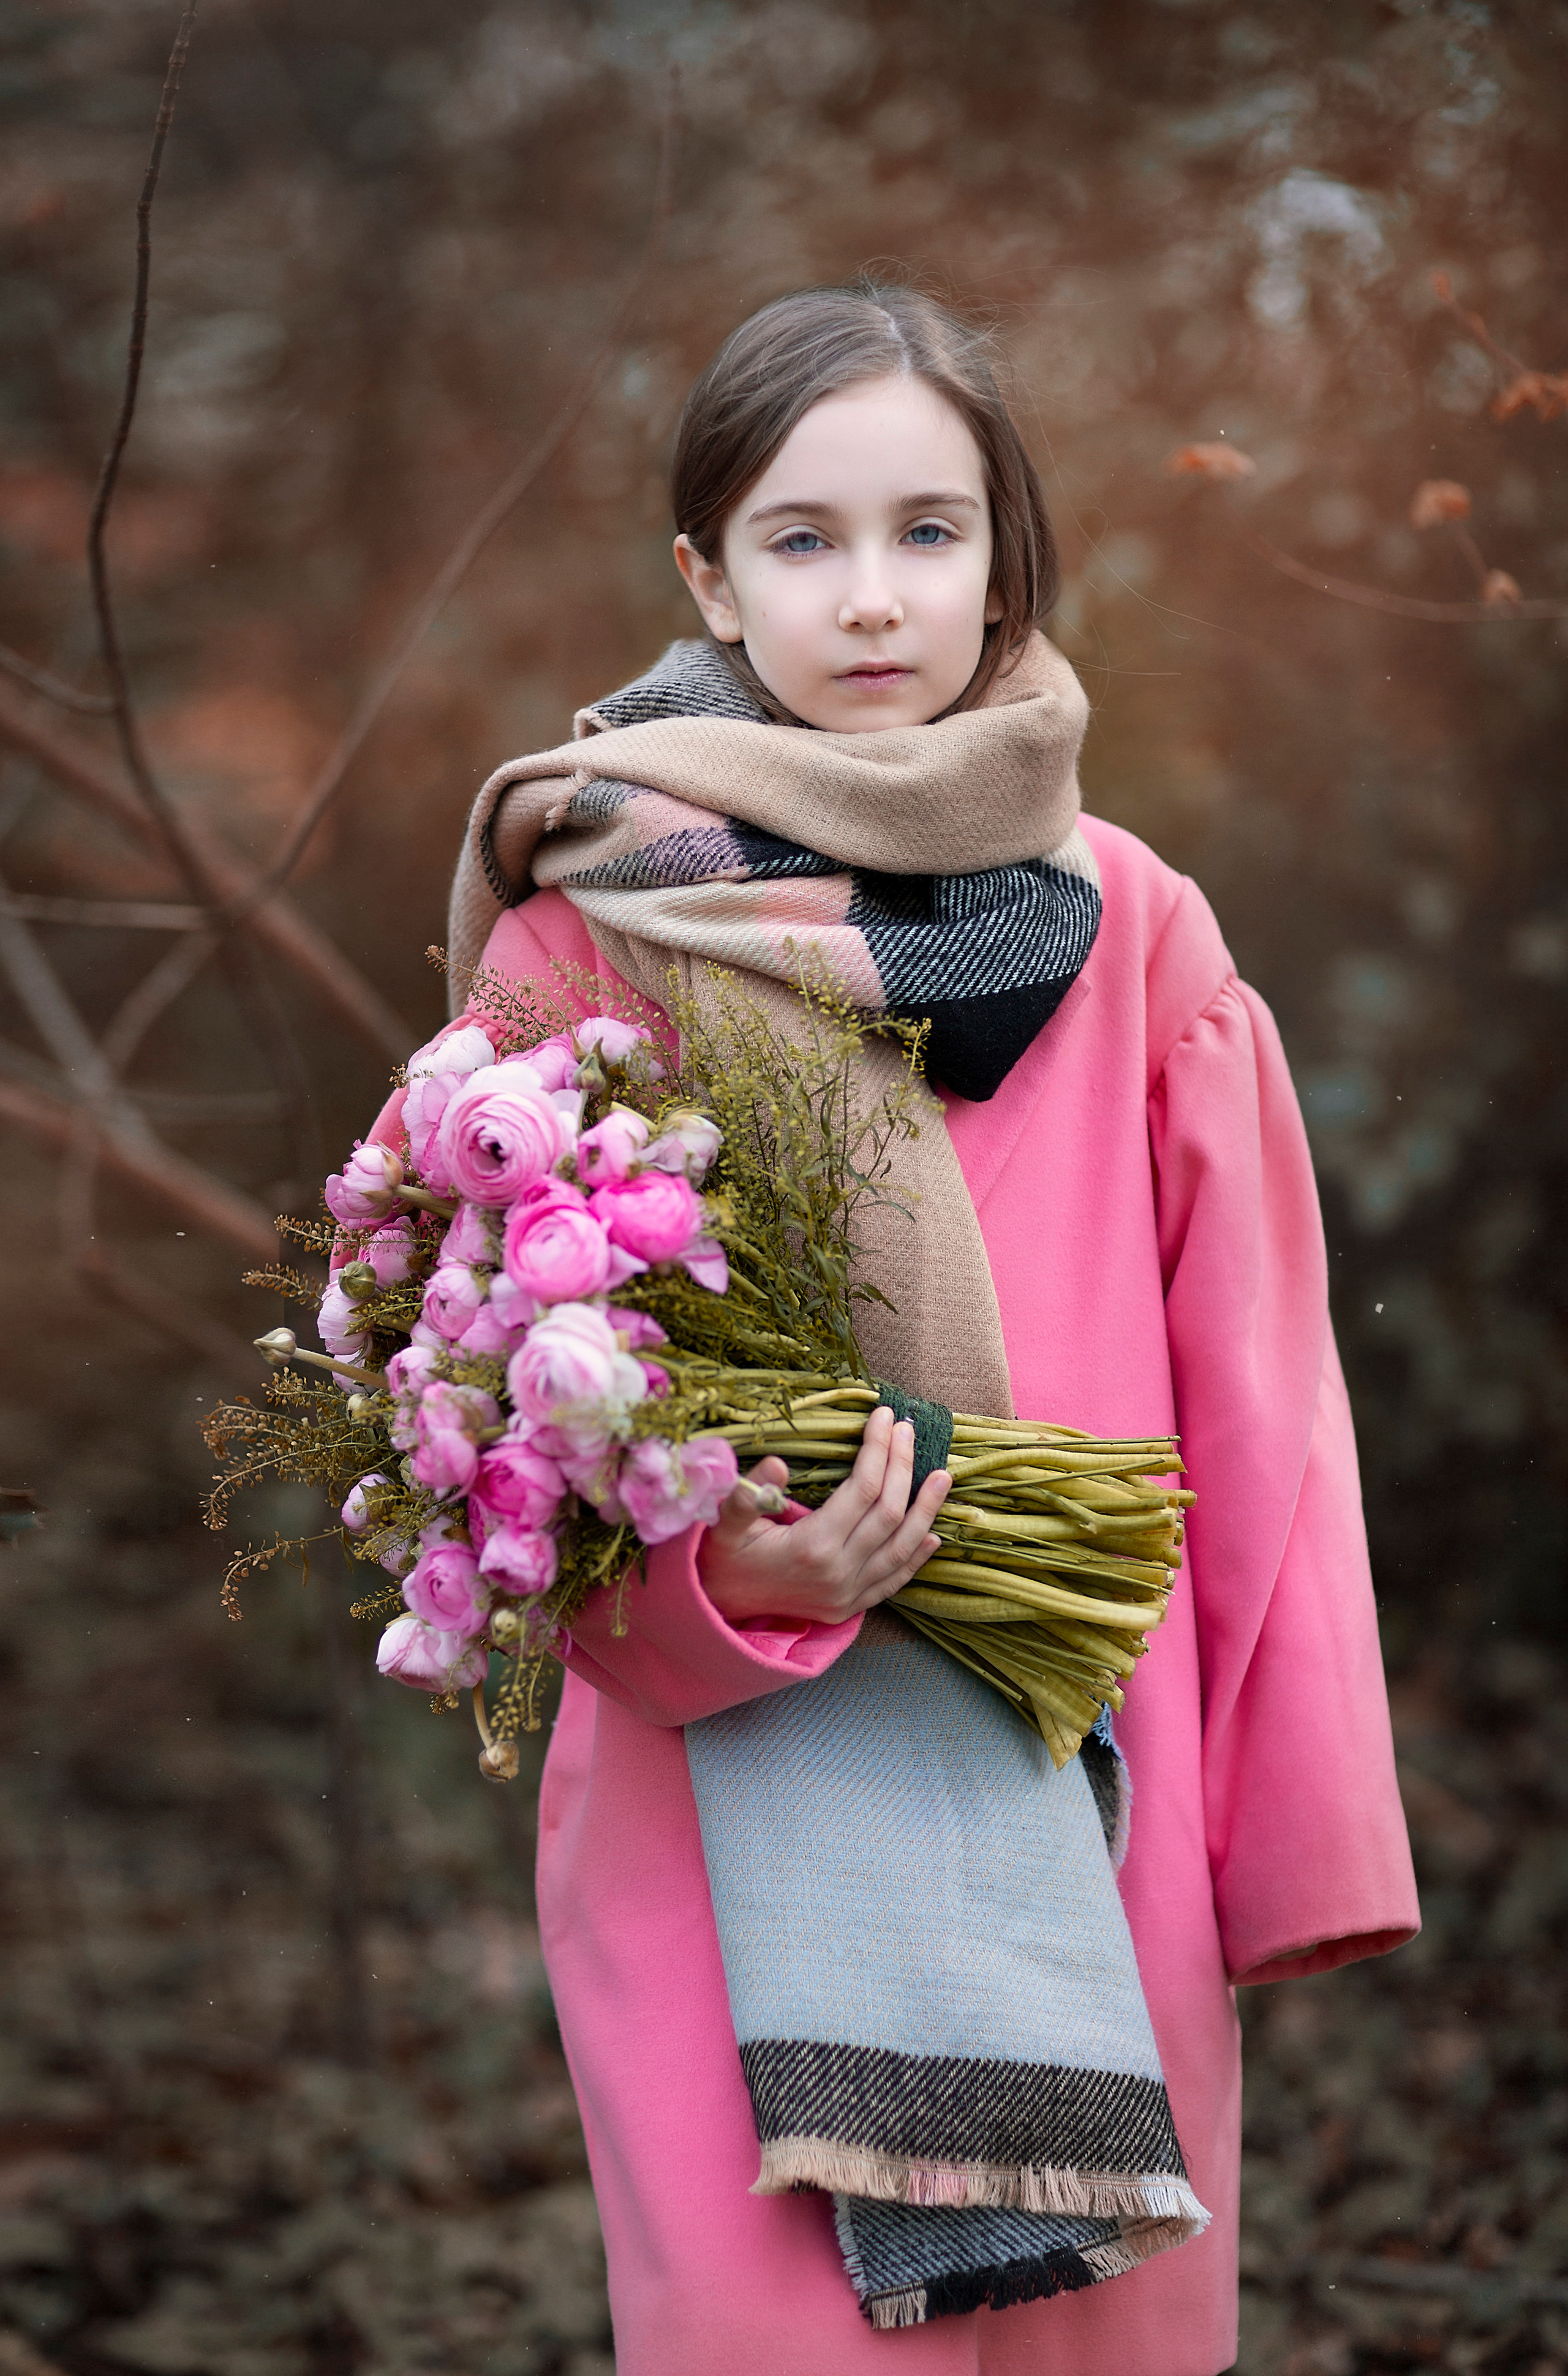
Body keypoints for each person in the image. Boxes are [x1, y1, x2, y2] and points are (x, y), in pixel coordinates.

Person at [424, 281, 1419, 2372]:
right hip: (723, 1822)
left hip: (1091, 1781)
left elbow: (1266, 1407)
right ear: (704, 571)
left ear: (1005, 558)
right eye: (802, 538)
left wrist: (1293, 1837)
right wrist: (731, 1580)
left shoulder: (1138, 926)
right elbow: (504, 1435)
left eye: (929, 531)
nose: (872, 598)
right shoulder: (579, 930)